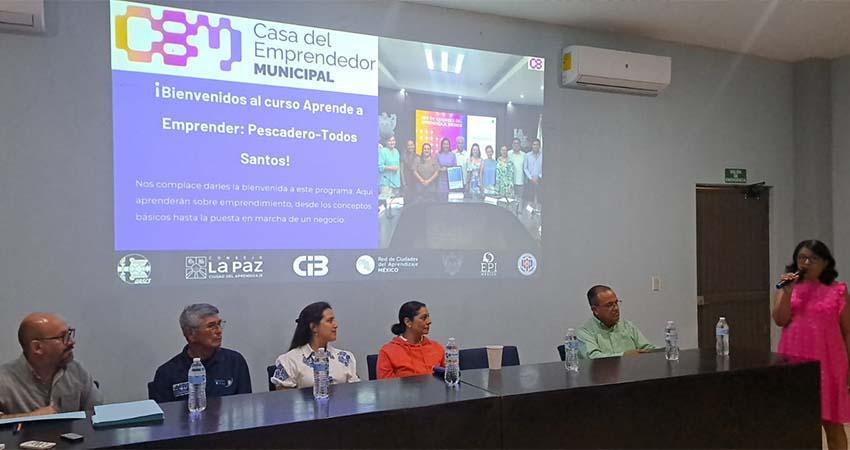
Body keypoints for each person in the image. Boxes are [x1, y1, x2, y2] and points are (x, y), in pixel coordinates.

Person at [773, 240, 850, 450]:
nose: (805, 262)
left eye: (812, 259)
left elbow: (848, 332)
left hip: (829, 365)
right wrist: (787, 293)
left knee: (833, 427)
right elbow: (780, 320)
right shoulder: (786, 287)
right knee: (796, 426)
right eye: (801, 258)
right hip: (794, 364)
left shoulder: (838, 290)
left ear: (825, 263)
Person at [0, 313, 103, 417]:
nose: (72, 342)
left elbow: (98, 414)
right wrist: (30, 417)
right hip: (27, 434)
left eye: (69, 334)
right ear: (37, 347)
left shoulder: (77, 371)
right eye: (63, 337)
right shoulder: (4, 380)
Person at [150, 304, 251, 403]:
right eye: (211, 326)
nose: (219, 331)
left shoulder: (235, 362)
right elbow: (164, 416)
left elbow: (245, 407)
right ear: (190, 334)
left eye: (219, 324)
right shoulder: (167, 373)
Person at [271, 302, 359, 390]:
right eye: (329, 321)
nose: (335, 325)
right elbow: (284, 400)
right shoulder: (290, 360)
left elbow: (354, 393)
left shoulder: (345, 358)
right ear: (314, 327)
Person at [577, 285, 656, 359]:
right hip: (603, 373)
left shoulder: (627, 326)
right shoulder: (585, 332)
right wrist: (624, 356)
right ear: (595, 310)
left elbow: (647, 349)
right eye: (609, 305)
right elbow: (594, 358)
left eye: (616, 303)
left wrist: (663, 350)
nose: (616, 308)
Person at [377, 301, 445, 379]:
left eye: (428, 317)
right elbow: (387, 387)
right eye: (423, 318)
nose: (429, 321)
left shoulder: (437, 347)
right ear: (408, 322)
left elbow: (450, 379)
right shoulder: (387, 352)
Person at [378, 136, 401, 210]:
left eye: (393, 140)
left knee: (395, 207)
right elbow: (379, 167)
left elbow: (398, 167)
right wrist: (390, 168)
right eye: (389, 141)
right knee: (385, 207)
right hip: (386, 184)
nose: (392, 142)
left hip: (396, 183)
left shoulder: (396, 151)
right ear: (386, 142)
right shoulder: (382, 151)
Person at [509, 138, 526, 210]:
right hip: (510, 181)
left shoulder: (524, 155)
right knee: (511, 199)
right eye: (514, 143)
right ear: (512, 145)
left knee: (520, 198)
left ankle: (519, 213)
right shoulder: (508, 153)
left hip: (520, 180)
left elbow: (526, 168)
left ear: (520, 145)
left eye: (517, 143)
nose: (516, 145)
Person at [400, 139, 418, 206]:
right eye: (408, 145)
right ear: (406, 146)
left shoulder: (417, 156)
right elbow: (401, 170)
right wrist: (404, 183)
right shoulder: (403, 156)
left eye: (412, 145)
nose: (410, 147)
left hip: (415, 183)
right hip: (406, 182)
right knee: (406, 202)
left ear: (414, 146)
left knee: (414, 203)